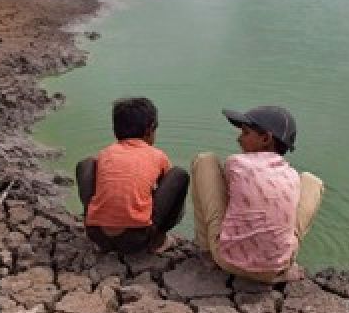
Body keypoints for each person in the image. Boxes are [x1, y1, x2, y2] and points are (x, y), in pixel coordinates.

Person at [191, 105, 324, 283]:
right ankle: (284, 259)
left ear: (265, 138)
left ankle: (207, 251)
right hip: (277, 268)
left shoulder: (236, 163)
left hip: (227, 261)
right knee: (313, 182)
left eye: (245, 133)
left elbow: (228, 199)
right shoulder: (292, 176)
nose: (239, 139)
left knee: (205, 161)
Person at [77, 97, 189, 254]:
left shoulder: (105, 153)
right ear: (150, 130)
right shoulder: (157, 155)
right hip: (137, 240)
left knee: (86, 164)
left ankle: (97, 222)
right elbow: (168, 192)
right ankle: (159, 241)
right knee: (179, 175)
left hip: (97, 235)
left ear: (115, 130)